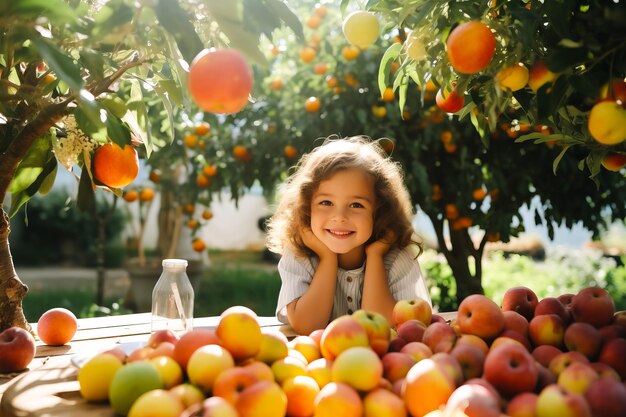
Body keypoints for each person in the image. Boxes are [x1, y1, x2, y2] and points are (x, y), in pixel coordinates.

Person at [266, 136, 431, 335]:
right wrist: (327, 258)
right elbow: (307, 326)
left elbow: (383, 329)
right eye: (326, 203)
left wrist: (376, 256)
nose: (339, 217)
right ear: (307, 207)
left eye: (356, 205)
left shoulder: (396, 257)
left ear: (379, 211)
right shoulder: (301, 254)